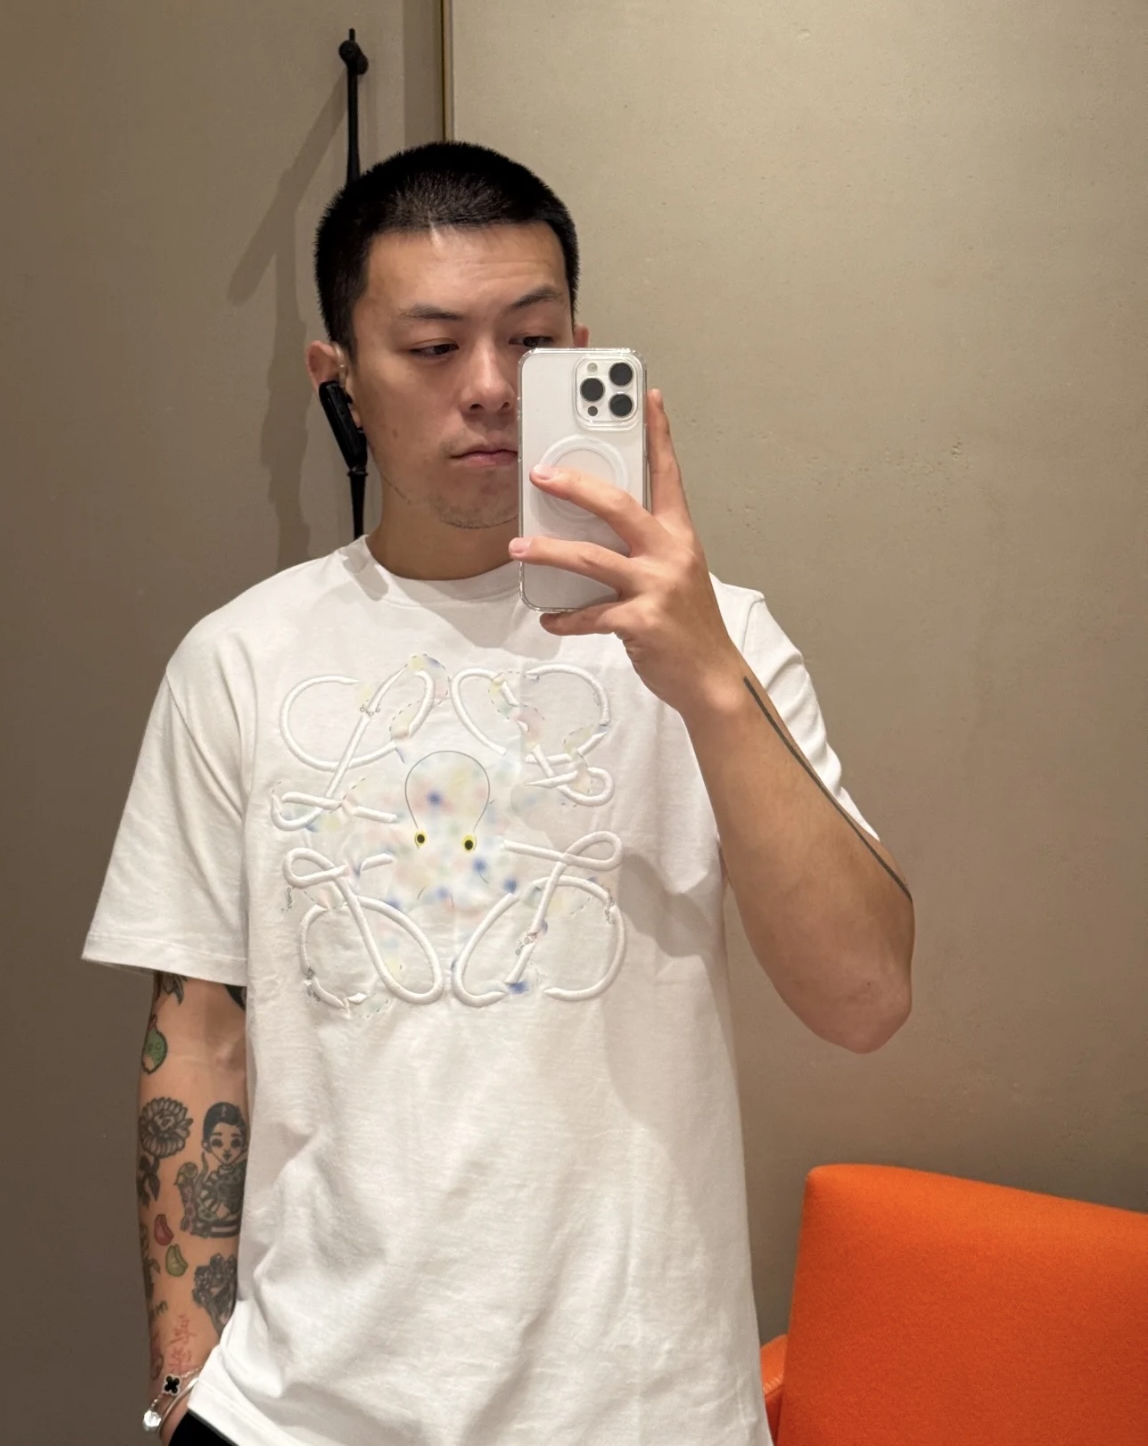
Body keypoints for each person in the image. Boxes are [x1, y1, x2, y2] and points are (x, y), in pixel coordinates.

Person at [83, 141, 914, 1446]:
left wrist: (708, 683)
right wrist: (183, 1384)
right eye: (430, 348)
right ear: (340, 380)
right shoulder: (237, 662)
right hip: (299, 1415)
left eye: (530, 342)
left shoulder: (721, 642)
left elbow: (864, 999)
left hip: (642, 1414)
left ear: (582, 350)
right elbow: (197, 1037)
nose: (488, 387)